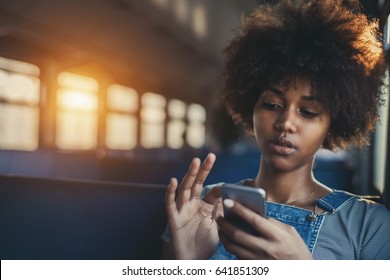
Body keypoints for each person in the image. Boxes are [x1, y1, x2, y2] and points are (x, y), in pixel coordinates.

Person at [161, 0, 390, 260]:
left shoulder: (370, 226)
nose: (285, 123)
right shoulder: (199, 206)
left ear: (333, 122)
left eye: (309, 112)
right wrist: (187, 265)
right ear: (252, 106)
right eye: (272, 104)